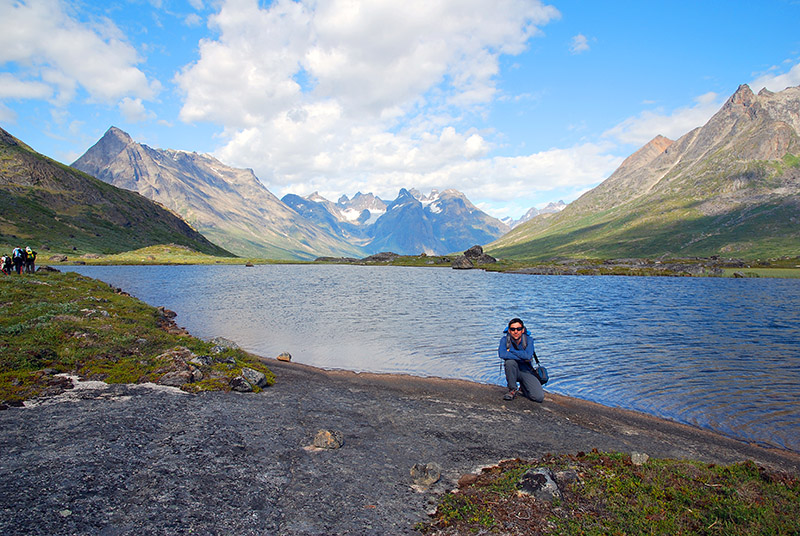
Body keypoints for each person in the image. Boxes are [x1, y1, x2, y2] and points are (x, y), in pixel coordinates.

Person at [498, 317, 544, 402]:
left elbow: (528, 356)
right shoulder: (504, 340)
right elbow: (502, 354)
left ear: (522, 330)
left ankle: (523, 387)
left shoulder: (529, 340)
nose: (516, 331)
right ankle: (512, 390)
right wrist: (522, 356)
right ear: (509, 330)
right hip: (512, 370)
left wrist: (511, 351)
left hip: (526, 371)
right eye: (513, 329)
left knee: (538, 397)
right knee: (510, 362)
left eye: (518, 329)